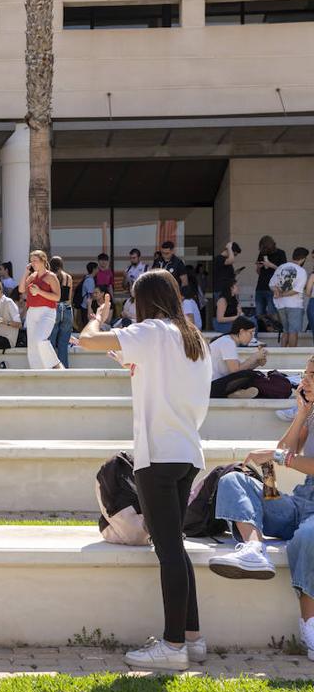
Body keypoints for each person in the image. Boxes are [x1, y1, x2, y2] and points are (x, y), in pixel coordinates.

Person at [78, 272, 211, 671]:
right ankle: (192, 638)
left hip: (159, 455)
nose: (131, 308)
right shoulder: (193, 338)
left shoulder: (151, 331)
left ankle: (172, 647)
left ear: (146, 300)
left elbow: (86, 340)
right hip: (187, 452)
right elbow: (166, 380)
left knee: (167, 550)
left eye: (133, 300)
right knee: (176, 545)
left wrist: (99, 317)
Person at [206, 357, 314, 661]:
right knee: (233, 480)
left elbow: (281, 458)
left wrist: (279, 460)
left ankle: (309, 625)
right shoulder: (311, 414)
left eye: (311, 375)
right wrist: (302, 414)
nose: (304, 380)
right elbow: (283, 451)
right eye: (305, 374)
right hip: (300, 501)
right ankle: (253, 550)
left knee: (308, 537)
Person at [19, 250, 64, 370]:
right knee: (32, 345)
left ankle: (55, 365)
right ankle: (37, 370)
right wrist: (26, 272)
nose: (32, 263)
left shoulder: (51, 276)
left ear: (43, 261)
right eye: (31, 261)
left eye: (35, 261)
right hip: (32, 312)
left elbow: (57, 297)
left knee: (40, 340)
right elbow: (21, 290)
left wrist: (39, 292)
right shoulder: (32, 276)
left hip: (47, 312)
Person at [209, 316, 268, 399]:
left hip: (213, 385)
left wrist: (257, 362)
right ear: (242, 331)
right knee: (249, 375)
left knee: (249, 373)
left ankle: (235, 393)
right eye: (250, 333)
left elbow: (240, 368)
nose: (252, 337)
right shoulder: (227, 342)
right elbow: (235, 371)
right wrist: (253, 357)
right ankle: (235, 393)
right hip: (210, 387)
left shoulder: (228, 341)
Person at [270, 248, 309, 348]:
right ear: (303, 259)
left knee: (285, 331)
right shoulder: (301, 271)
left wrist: (277, 292)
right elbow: (296, 290)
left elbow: (271, 284)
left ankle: (282, 356)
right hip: (295, 305)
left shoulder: (281, 267)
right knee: (293, 332)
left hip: (280, 305)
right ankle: (292, 356)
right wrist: (282, 294)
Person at [255, 235, 287, 334]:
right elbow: (259, 272)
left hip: (272, 287)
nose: (263, 250)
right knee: (259, 312)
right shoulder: (262, 253)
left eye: (264, 248)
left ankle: (276, 329)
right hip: (260, 286)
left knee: (272, 312)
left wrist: (270, 265)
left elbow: (284, 270)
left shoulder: (280, 253)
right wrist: (259, 267)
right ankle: (263, 329)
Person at [49, 256, 73, 367]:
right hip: (67, 309)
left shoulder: (50, 277)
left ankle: (52, 367)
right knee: (63, 344)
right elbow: (69, 298)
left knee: (51, 342)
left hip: (54, 308)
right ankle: (64, 369)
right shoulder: (68, 277)